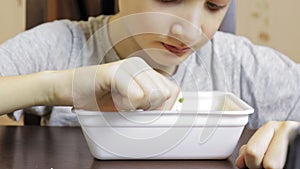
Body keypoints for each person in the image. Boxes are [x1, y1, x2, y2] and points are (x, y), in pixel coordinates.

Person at [0, 0, 299, 168]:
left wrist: (295, 138)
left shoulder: (240, 64)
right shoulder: (61, 46)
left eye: (214, 4)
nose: (190, 30)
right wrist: (55, 87)